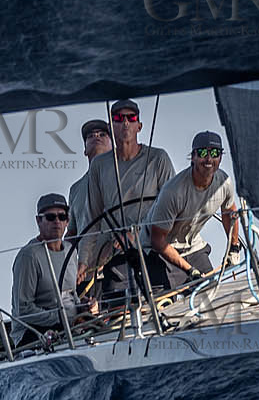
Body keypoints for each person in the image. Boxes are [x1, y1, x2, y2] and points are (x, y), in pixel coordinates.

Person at [79, 100, 174, 305]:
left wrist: (138, 232)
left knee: (172, 303)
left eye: (130, 118)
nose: (125, 123)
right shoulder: (99, 166)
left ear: (139, 126)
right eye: (118, 119)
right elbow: (92, 218)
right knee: (114, 311)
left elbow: (172, 210)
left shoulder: (158, 158)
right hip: (120, 257)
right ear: (111, 126)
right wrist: (83, 261)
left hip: (155, 250)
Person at [145, 132, 243, 291]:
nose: (209, 159)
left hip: (192, 247)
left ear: (221, 157)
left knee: (212, 296)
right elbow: (157, 240)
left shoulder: (224, 183)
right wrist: (190, 270)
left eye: (215, 153)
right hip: (158, 252)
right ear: (193, 157)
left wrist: (234, 247)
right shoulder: (173, 191)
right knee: (162, 308)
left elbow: (229, 212)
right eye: (203, 153)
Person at [10, 193, 83, 346]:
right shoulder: (28, 256)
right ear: (38, 221)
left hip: (68, 324)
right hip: (34, 331)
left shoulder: (71, 251)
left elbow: (71, 294)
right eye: (50, 217)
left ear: (67, 221)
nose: (57, 221)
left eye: (62, 217)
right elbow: (23, 310)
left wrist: (84, 306)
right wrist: (61, 318)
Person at [66, 119, 113, 241]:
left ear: (113, 146)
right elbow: (72, 232)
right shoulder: (75, 189)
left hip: (128, 254)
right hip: (89, 258)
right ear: (85, 150)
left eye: (103, 134)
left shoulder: (125, 173)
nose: (96, 137)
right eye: (91, 136)